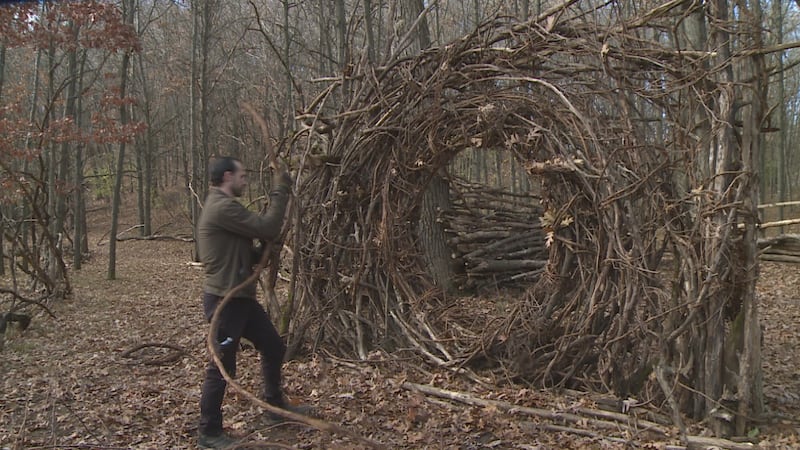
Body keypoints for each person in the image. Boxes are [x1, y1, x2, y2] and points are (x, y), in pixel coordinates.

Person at [196, 156, 307, 449]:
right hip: (226, 300)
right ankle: (208, 433)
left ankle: (273, 407)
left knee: (273, 345)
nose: (246, 181)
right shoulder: (222, 207)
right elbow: (268, 226)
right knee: (222, 366)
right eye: (243, 176)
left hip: (240, 299)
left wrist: (261, 253)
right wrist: (280, 189)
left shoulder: (225, 209)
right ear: (228, 176)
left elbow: (240, 253)